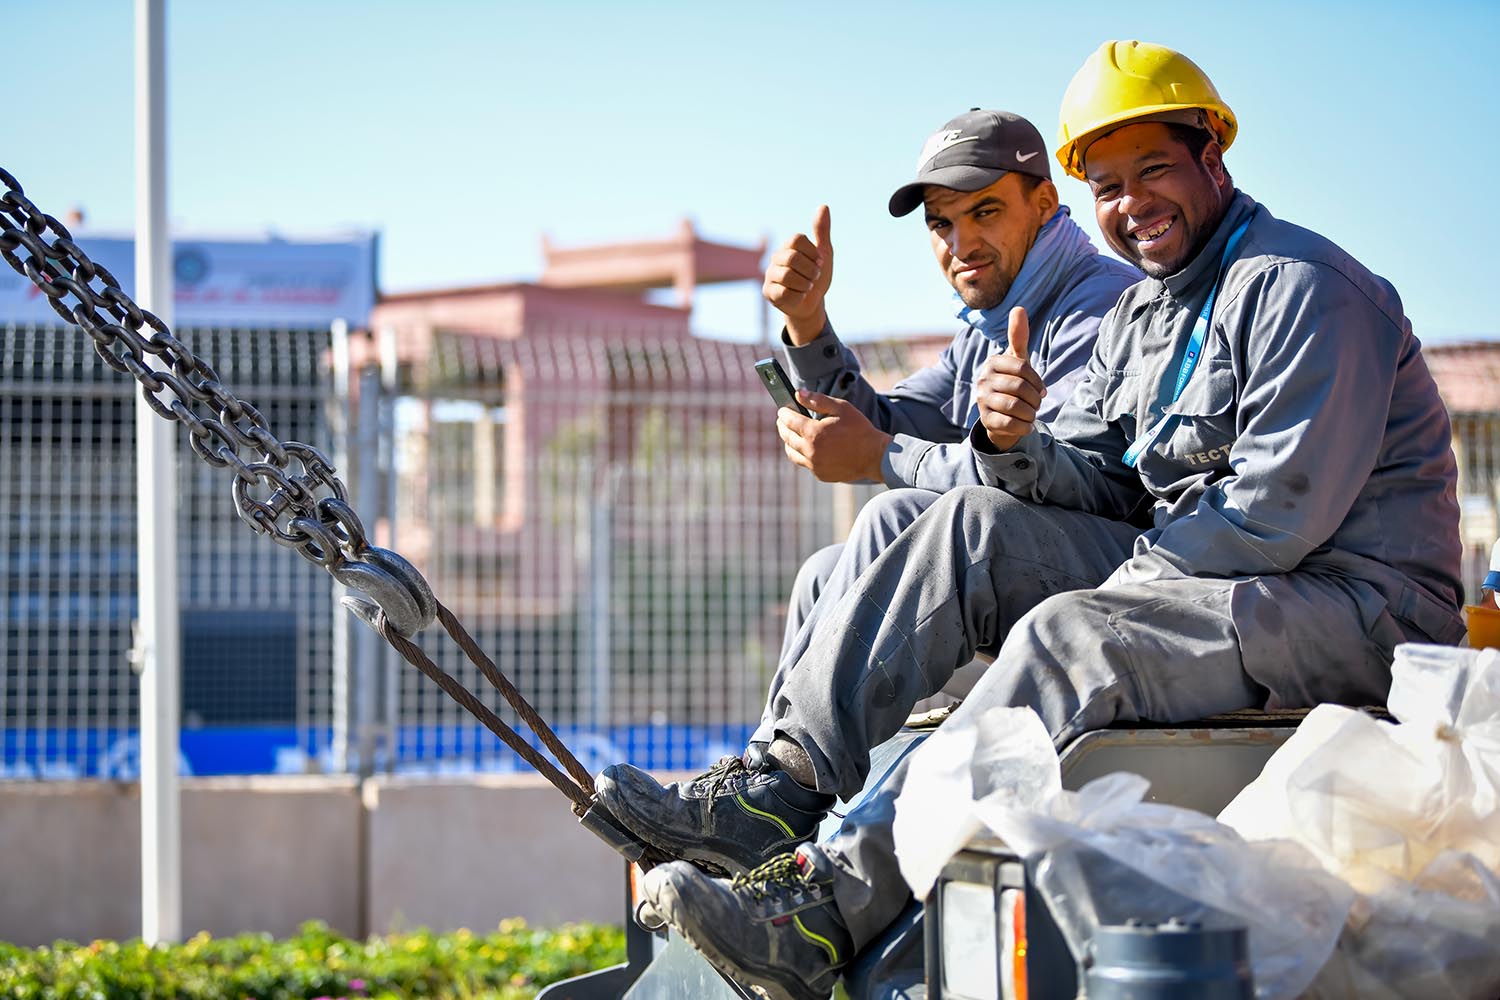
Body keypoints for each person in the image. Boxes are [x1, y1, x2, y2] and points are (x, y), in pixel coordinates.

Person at [601, 40, 1466, 1000]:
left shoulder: (1302, 286)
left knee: (1073, 634)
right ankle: (779, 798)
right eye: (1106, 183)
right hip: (1223, 583)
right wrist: (1018, 445)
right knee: (966, 524)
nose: (1130, 202)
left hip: (1351, 608)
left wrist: (1111, 587)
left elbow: (1271, 521)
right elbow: (1093, 476)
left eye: (1153, 171)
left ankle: (826, 909)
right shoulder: (1148, 313)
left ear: (1212, 157)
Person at [755, 108, 1139, 752]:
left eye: (984, 212)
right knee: (827, 573)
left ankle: (773, 789)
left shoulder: (1098, 304)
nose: (960, 244)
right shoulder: (985, 329)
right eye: (942, 223)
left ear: (1045, 202)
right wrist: (808, 323)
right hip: (1007, 569)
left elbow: (1055, 480)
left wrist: (881, 455)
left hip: (1124, 579)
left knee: (895, 516)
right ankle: (777, 780)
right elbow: (888, 424)